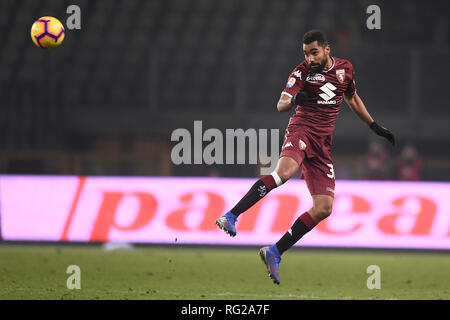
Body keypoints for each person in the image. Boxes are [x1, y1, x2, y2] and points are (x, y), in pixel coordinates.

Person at [215, 30, 395, 285]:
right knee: (284, 174)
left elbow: (351, 97)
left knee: (324, 208)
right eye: (306, 53)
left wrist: (374, 125)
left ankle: (274, 252)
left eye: (314, 52)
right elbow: (282, 103)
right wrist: (293, 101)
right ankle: (231, 216)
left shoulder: (346, 69)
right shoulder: (301, 73)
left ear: (327, 50)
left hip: (322, 145)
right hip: (301, 130)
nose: (310, 58)